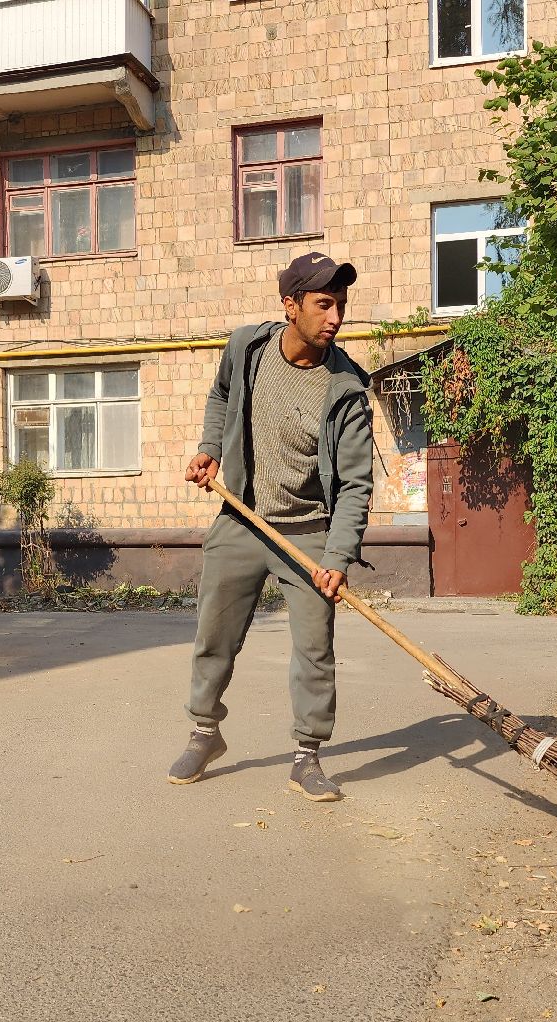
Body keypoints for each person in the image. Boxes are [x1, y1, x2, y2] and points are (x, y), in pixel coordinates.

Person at [170, 251, 374, 802]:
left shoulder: (347, 388)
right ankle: (204, 733)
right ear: (291, 305)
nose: (336, 317)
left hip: (308, 534)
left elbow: (356, 484)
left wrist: (338, 556)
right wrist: (210, 448)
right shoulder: (247, 349)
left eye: (341, 305)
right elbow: (220, 397)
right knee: (214, 637)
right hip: (240, 518)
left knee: (315, 650)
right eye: (324, 304)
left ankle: (307, 756)